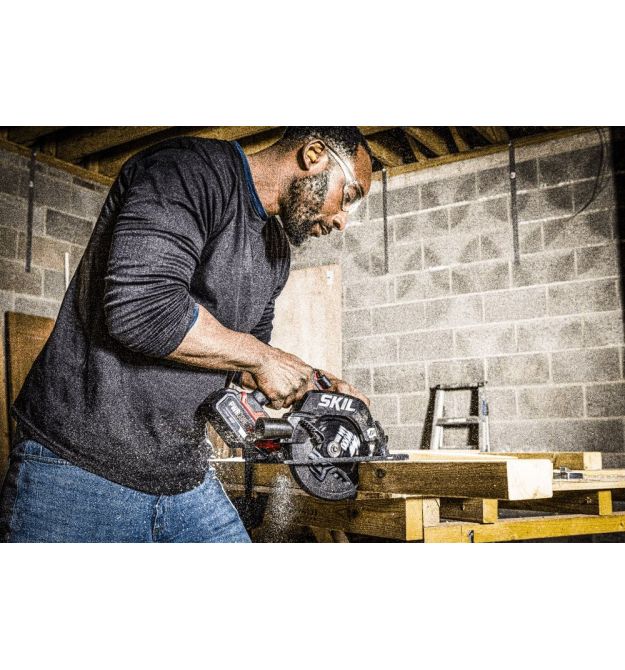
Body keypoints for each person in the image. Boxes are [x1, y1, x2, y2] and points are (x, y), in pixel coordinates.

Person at [0, 127, 374, 543]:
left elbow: (239, 362)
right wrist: (262, 358)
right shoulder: (187, 172)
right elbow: (142, 310)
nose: (342, 221)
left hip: (184, 479)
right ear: (314, 154)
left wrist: (314, 387)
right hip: (79, 469)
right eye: (350, 196)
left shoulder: (275, 251)